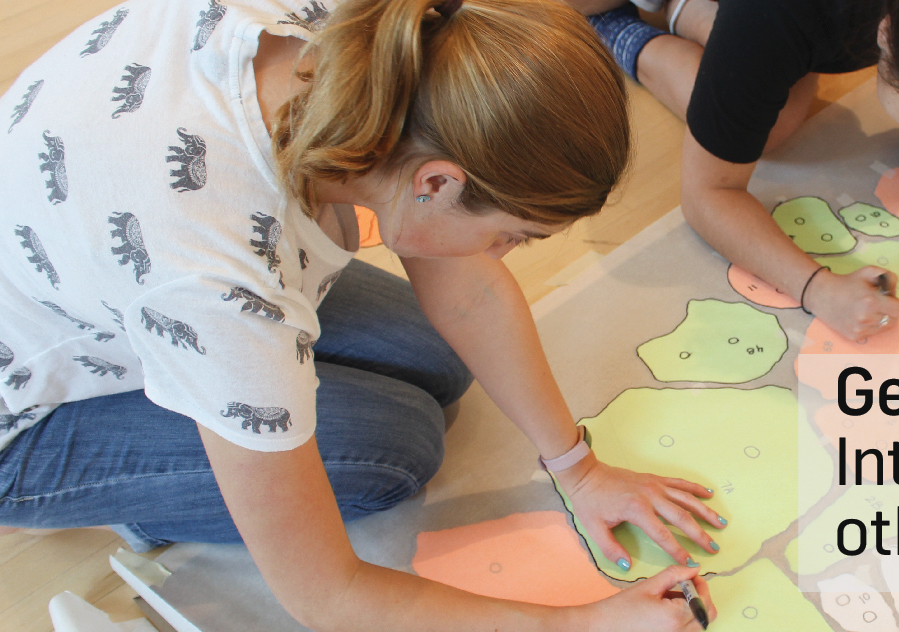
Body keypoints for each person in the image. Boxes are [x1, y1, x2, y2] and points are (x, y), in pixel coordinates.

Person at [0, 0, 718, 629]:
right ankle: (136, 495)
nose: (502, 255)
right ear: (436, 181)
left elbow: (468, 293)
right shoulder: (220, 279)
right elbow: (325, 595)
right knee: (395, 450)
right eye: (511, 235)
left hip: (96, 268)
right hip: (29, 418)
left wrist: (578, 469)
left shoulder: (387, 37)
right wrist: (582, 624)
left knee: (437, 361)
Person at [577, 0, 899, 340]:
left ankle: (685, 9)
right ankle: (616, 27)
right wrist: (818, 290)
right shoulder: (777, 17)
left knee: (777, 94)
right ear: (887, 34)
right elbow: (707, 195)